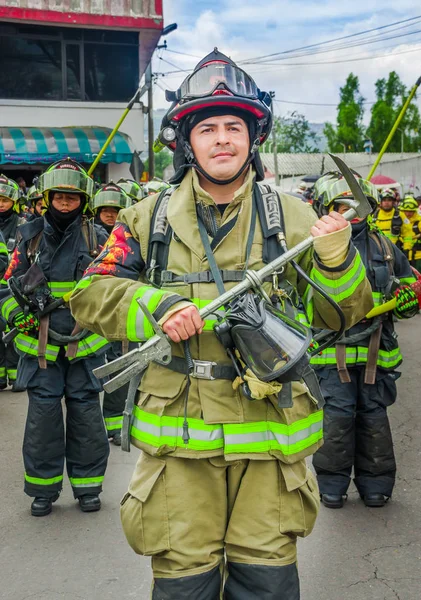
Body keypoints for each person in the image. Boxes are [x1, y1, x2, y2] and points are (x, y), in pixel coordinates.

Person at [70, 49, 372, 599]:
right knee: (185, 586)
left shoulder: (297, 219)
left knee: (267, 584)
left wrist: (335, 260)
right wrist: (155, 308)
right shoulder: (146, 218)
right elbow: (91, 294)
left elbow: (341, 314)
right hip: (180, 446)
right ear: (187, 141)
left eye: (235, 125)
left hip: (271, 443)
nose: (223, 139)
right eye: (207, 127)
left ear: (253, 137)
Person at [0, 159, 110, 517]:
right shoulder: (28, 237)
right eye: (59, 197)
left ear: (83, 200)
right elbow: (5, 287)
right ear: (47, 198)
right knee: (43, 418)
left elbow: (116, 286)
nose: (65, 204)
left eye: (72, 198)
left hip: (85, 342)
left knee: (86, 415)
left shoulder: (100, 238)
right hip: (41, 344)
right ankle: (43, 490)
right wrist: (17, 315)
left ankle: (88, 488)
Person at [311, 173, 418, 509]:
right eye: (340, 206)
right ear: (324, 208)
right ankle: (332, 483)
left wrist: (408, 300)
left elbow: (406, 285)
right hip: (332, 354)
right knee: (337, 418)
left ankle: (376, 484)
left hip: (376, 353)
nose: (349, 213)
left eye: (356, 205)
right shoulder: (313, 248)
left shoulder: (385, 247)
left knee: (374, 416)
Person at [91, 181, 136, 445]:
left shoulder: (133, 236)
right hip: (97, 315)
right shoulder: (90, 235)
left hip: (125, 310)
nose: (110, 214)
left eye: (115, 209)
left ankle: (116, 424)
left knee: (123, 366)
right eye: (105, 210)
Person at [0, 174, 27, 389]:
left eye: (5, 200)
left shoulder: (23, 225)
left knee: (14, 330)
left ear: (14, 202)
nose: (1, 204)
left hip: (14, 286)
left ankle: (17, 376)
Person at [400, 196, 421, 272]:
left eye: (411, 211)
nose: (408, 213)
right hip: (405, 255)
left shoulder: (419, 220)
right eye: (406, 211)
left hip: (418, 256)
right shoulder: (400, 219)